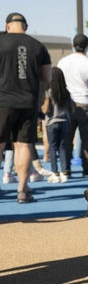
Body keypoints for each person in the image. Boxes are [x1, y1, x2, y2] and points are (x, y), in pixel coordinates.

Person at [0, 12, 51, 203]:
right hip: (28, 101)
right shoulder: (38, 46)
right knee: (23, 145)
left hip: (2, 101)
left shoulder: (1, 43)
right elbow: (46, 77)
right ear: (26, 27)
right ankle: (22, 189)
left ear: (7, 26)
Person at [58, 33, 88, 177]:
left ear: (72, 45)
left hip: (68, 104)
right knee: (86, 138)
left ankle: (66, 168)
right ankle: (86, 169)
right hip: (85, 104)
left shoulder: (62, 62)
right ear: (87, 47)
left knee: (67, 138)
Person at [41, 66, 73, 183]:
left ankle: (55, 173)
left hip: (51, 122)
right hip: (64, 121)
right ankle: (65, 172)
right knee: (63, 147)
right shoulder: (66, 92)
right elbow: (71, 108)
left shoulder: (48, 92)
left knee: (53, 148)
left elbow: (45, 109)